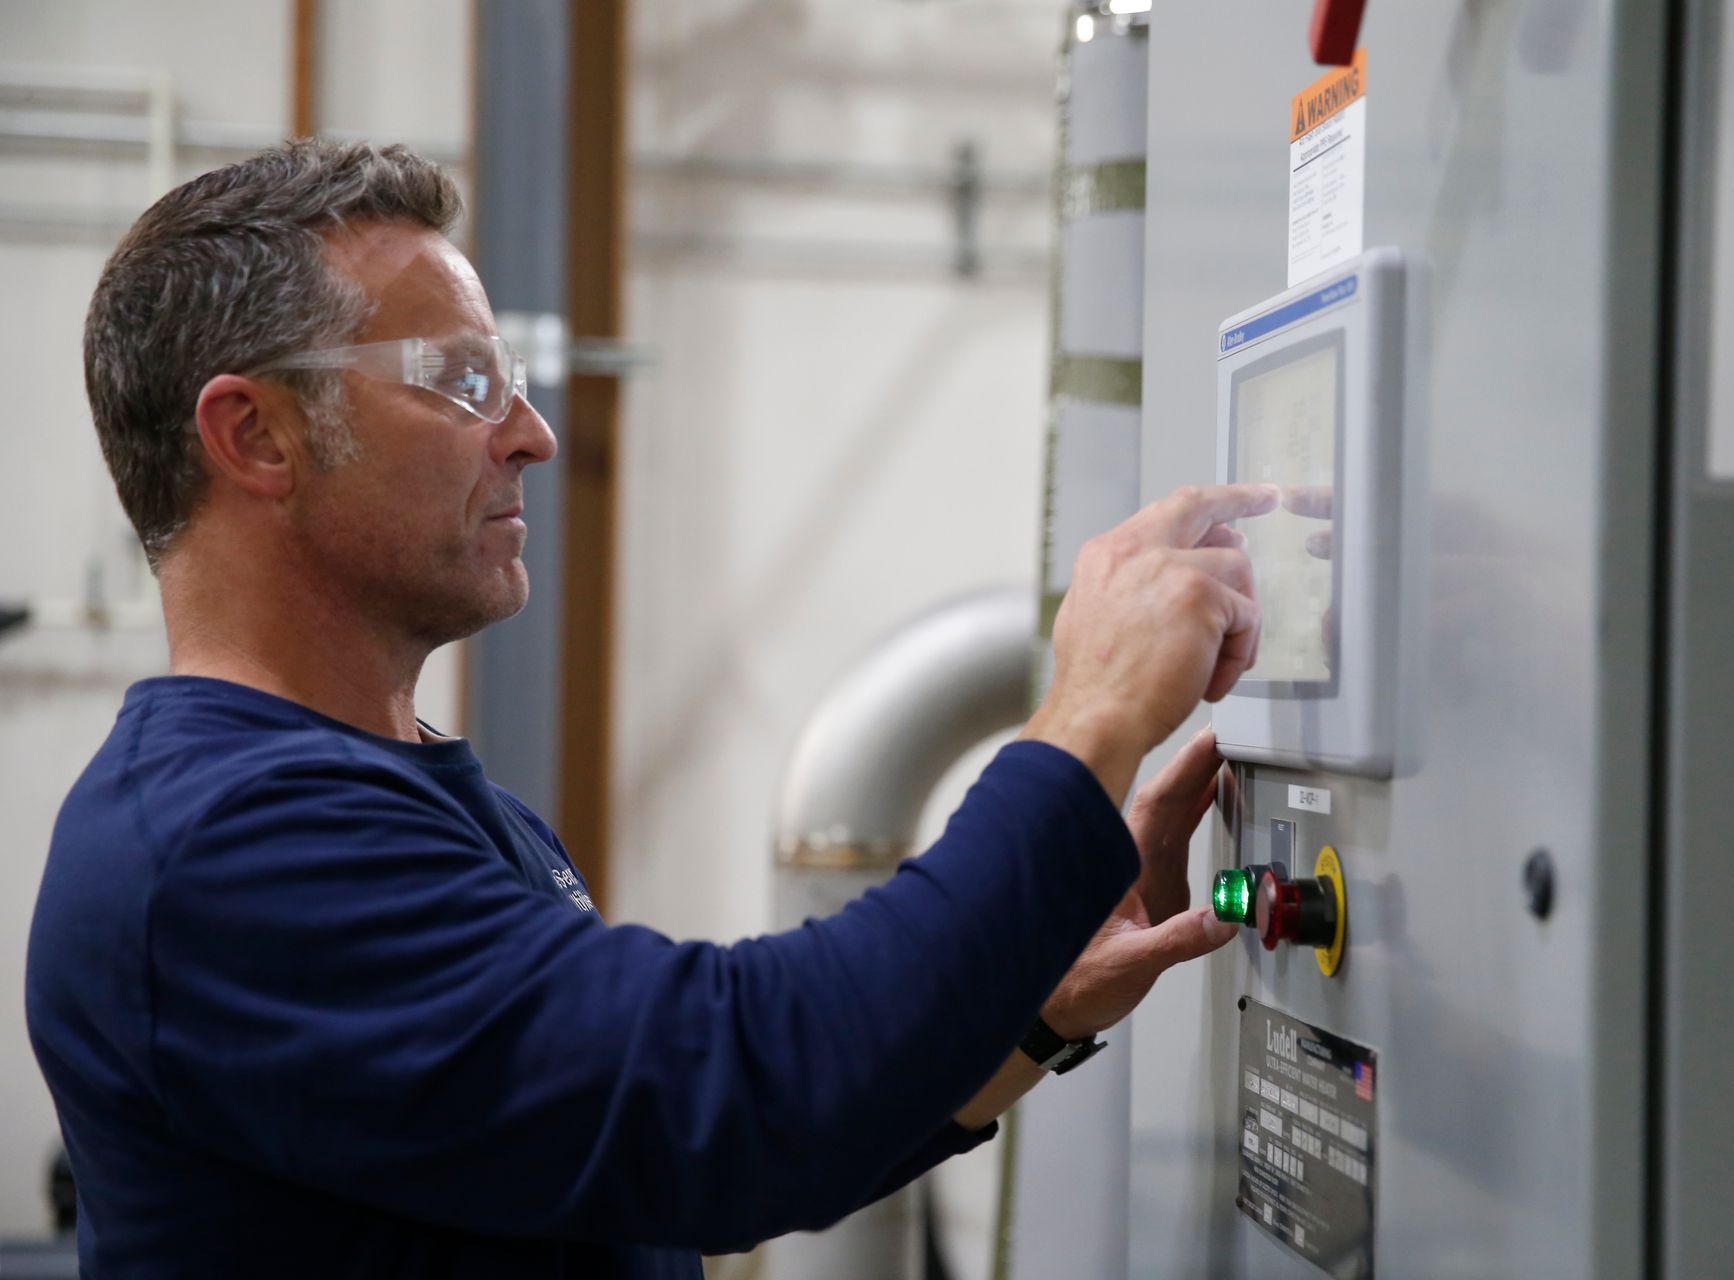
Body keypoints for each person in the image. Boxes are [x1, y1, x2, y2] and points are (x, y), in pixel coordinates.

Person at [24, 140, 1276, 1278]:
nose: (530, 433)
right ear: (257, 435)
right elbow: (730, 1092)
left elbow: (651, 1174)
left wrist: (1031, 1010)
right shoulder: (225, 845)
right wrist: (1091, 717)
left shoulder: (416, 795)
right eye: (461, 380)